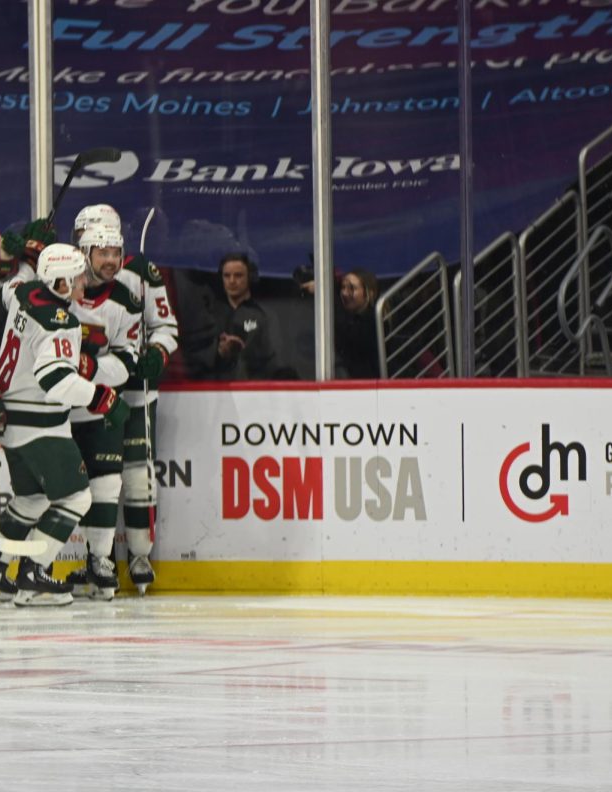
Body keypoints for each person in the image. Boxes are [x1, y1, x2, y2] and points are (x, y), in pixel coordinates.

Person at [0, 243, 128, 607]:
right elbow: (56, 380)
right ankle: (34, 570)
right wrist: (101, 398)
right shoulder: (59, 322)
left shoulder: (26, 293)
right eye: (76, 280)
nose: (82, 286)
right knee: (77, 497)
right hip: (41, 424)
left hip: (11, 420)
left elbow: (16, 284)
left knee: (31, 499)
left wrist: (30, 258)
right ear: (59, 283)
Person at [71, 203, 179, 595]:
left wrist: (159, 352)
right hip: (87, 392)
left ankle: (139, 555)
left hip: (132, 388)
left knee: (136, 476)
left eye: (113, 248)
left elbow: (164, 325)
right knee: (90, 479)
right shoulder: (68, 273)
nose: (109, 257)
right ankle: (95, 558)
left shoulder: (140, 273)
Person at [61, 224, 141, 602]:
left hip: (101, 404)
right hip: (58, 405)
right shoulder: (60, 285)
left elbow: (128, 361)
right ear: (84, 252)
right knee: (51, 489)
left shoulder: (126, 299)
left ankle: (99, 561)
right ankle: (35, 565)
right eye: (102, 252)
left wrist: (89, 368)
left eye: (115, 252)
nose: (110, 260)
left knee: (107, 483)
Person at [185, 253, 278, 381]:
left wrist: (243, 352)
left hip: (255, 389)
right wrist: (219, 353)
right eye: (227, 276)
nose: (232, 281)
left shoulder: (264, 315)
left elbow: (273, 360)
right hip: (213, 389)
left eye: (238, 275)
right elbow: (194, 357)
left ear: (249, 277)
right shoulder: (209, 314)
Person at [300, 268, 381, 379]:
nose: (344, 293)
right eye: (343, 287)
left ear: (369, 293)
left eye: (352, 288)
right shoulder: (351, 317)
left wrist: (324, 294)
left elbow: (347, 333)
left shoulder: (374, 320)